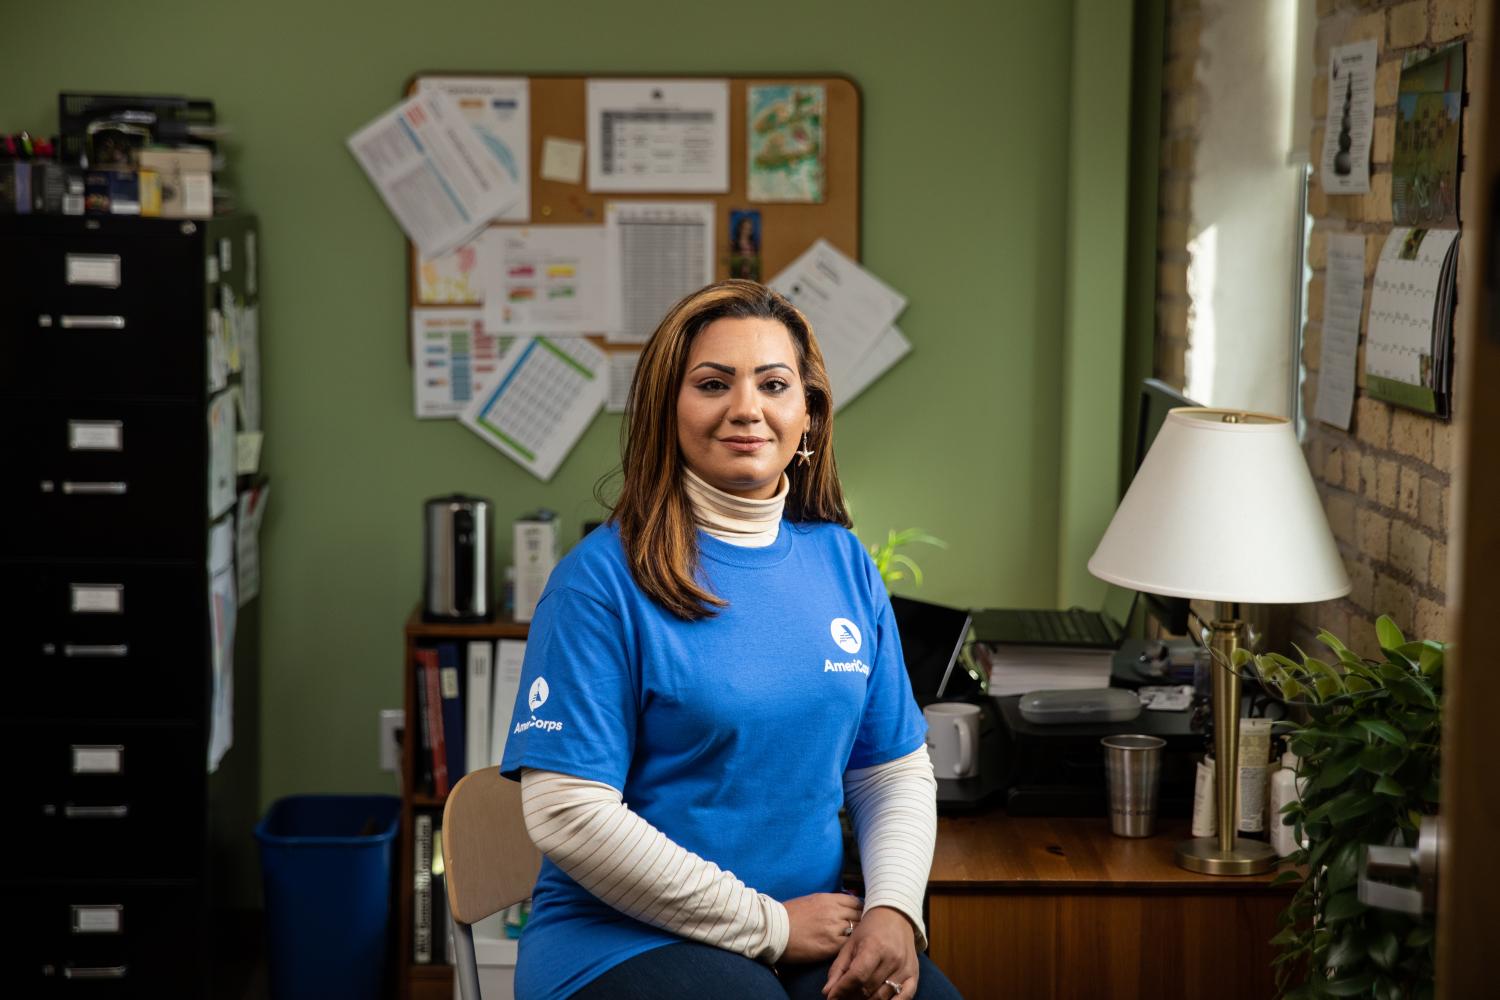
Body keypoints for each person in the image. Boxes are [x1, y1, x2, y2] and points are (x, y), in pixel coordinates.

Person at [500, 280, 961, 1000]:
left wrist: (894, 909)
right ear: (668, 411)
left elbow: (890, 770)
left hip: (811, 933)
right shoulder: (599, 582)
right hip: (622, 938)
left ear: (806, 414)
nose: (745, 408)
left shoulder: (843, 563)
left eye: (773, 384)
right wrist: (766, 925)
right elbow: (566, 811)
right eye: (713, 383)